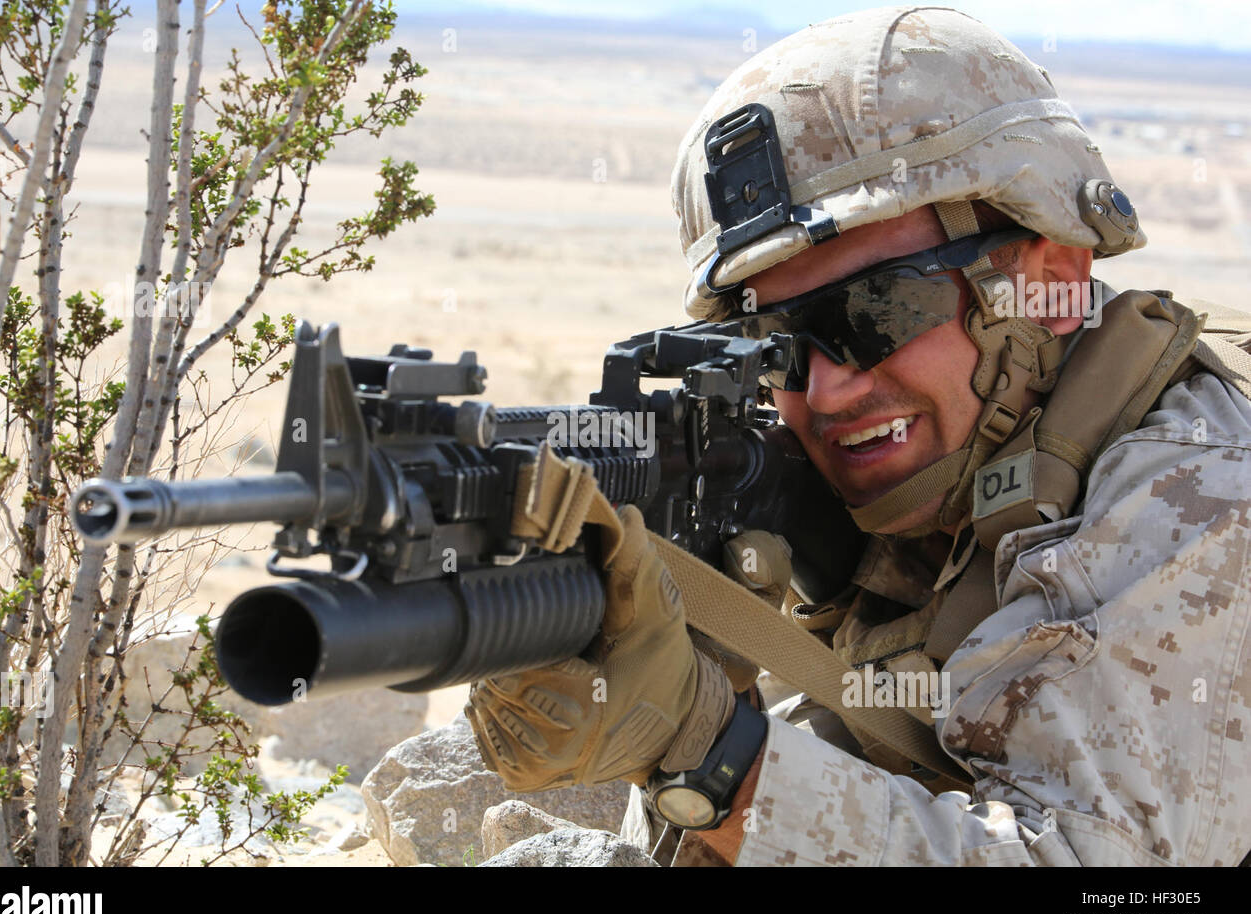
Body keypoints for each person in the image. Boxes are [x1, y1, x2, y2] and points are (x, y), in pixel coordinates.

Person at [466, 5, 1251, 866]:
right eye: (776, 348)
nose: (828, 388)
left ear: (1047, 280)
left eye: (874, 314)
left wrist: (709, 757)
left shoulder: (1201, 494)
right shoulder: (954, 487)